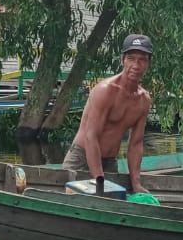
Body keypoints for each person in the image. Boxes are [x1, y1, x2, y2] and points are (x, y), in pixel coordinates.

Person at [62, 33, 154, 193]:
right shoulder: (106, 91)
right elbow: (91, 137)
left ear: (148, 64)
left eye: (142, 60)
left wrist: (136, 183)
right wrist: (99, 180)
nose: (136, 65)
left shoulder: (143, 100)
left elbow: (136, 144)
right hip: (82, 158)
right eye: (131, 58)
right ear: (122, 60)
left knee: (113, 206)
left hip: (110, 162)